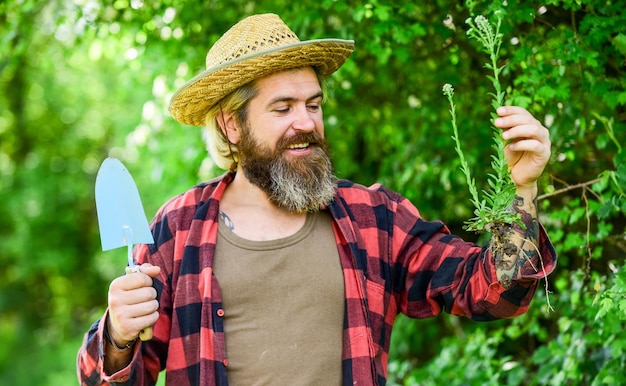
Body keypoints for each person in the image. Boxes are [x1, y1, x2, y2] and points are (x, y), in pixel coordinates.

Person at [77, 13, 556, 386]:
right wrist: (117, 335)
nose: (305, 122)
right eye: (282, 108)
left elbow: (493, 294)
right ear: (231, 125)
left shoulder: (375, 218)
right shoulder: (177, 229)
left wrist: (524, 190)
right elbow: (114, 379)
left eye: (313, 104)